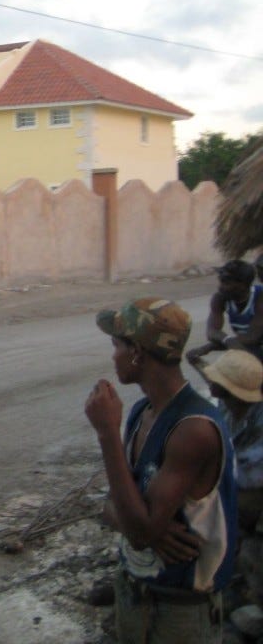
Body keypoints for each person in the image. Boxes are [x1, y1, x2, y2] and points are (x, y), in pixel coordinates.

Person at [86, 297, 236, 644]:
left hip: (180, 613)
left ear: (137, 351)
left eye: (117, 345)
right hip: (135, 592)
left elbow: (137, 531)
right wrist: (145, 526)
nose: (113, 356)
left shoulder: (193, 429)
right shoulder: (142, 412)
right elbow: (114, 508)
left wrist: (107, 434)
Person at [188, 349, 263, 533]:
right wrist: (196, 361)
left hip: (252, 489)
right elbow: (208, 377)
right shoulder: (228, 404)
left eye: (217, 379)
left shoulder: (258, 422)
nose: (211, 382)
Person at [186, 260, 263, 362]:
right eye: (221, 281)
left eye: (226, 283)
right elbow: (212, 332)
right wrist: (226, 340)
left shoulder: (260, 297)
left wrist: (209, 347)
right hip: (253, 347)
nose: (220, 287)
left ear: (243, 285)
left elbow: (252, 338)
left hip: (257, 345)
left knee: (247, 357)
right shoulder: (220, 299)